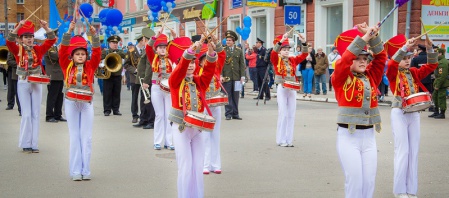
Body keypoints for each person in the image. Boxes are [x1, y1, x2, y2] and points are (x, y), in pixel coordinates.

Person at [332, 24, 386, 198]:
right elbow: (344, 60)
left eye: (365, 58)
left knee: (369, 182)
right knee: (355, 182)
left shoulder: (371, 77)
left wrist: (374, 36)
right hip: (349, 136)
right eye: (359, 58)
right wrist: (364, 38)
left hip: (369, 136)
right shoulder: (340, 76)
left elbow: (381, 58)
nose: (363, 61)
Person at [385, 35, 438, 198]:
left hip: (414, 112)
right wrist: (404, 48)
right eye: (405, 58)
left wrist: (430, 48)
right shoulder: (393, 73)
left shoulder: (413, 72)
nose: (407, 61)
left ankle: (411, 190)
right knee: (403, 151)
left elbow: (431, 66)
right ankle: (400, 190)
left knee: (413, 151)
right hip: (399, 112)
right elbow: (392, 63)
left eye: (409, 57)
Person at [167, 37, 217, 198]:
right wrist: (190, 51)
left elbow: (209, 72)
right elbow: (181, 68)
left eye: (193, 63)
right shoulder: (174, 80)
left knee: (197, 167)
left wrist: (210, 52)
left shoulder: (198, 81)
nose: (190, 66)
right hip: (181, 127)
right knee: (186, 167)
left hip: (197, 128)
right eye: (187, 63)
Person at [6, 20, 56, 153]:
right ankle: (25, 142)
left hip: (36, 81)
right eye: (26, 37)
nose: (29, 39)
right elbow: (9, 42)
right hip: (23, 82)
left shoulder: (38, 49)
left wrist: (46, 27)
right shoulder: (17, 50)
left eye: (31, 37)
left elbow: (51, 40)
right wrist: (18, 27)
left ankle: (34, 143)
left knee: (35, 114)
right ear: (21, 39)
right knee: (26, 114)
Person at [59, 21, 100, 181]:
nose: (81, 56)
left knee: (87, 137)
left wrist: (94, 35)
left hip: (86, 104)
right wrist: (68, 31)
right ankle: (75, 171)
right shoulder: (66, 65)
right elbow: (62, 51)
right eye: (77, 54)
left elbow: (97, 52)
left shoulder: (91, 66)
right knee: (74, 136)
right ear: (72, 56)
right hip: (71, 103)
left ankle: (86, 170)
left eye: (83, 53)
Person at [271, 33, 308, 147]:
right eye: (284, 49)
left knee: (291, 113)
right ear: (280, 51)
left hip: (292, 88)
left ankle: (289, 139)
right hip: (282, 87)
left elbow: (304, 54)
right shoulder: (276, 59)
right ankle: (280, 139)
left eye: (288, 49)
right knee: (283, 113)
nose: (286, 51)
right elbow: (273, 53)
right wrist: (281, 41)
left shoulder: (292, 60)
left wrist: (304, 42)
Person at [143, 27, 176, 150]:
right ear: (156, 49)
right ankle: (157, 141)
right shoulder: (153, 58)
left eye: (164, 47)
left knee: (168, 115)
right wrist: (155, 36)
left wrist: (174, 35)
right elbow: (147, 48)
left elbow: (177, 49)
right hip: (156, 87)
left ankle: (169, 141)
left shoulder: (170, 58)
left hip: (168, 89)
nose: (163, 49)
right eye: (160, 47)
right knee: (159, 115)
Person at [197, 35, 226, 175]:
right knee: (204, 134)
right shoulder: (198, 72)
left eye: (210, 57)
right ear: (201, 61)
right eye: (205, 58)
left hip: (216, 103)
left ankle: (216, 164)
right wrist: (201, 43)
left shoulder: (217, 68)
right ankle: (204, 164)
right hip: (203, 104)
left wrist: (215, 41)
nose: (208, 60)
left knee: (215, 133)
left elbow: (222, 54)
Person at [133, 28, 156, 130]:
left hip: (147, 80)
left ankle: (150, 121)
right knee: (143, 100)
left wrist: (146, 81)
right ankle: (143, 119)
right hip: (142, 79)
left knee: (148, 101)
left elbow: (149, 66)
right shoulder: (146, 49)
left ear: (145, 39)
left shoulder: (150, 50)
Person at [222, 30, 245, 120]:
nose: (228, 42)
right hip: (226, 77)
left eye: (229, 40)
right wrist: (221, 76)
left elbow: (242, 64)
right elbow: (220, 64)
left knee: (236, 96)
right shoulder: (223, 51)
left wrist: (242, 76)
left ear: (233, 41)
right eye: (227, 40)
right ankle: (228, 114)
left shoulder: (238, 51)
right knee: (227, 95)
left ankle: (235, 113)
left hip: (236, 77)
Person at [44, 28, 66, 123]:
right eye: (54, 36)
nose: (56, 37)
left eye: (56, 36)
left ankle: (58, 114)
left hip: (60, 75)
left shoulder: (55, 47)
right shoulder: (48, 48)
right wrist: (62, 49)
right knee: (52, 96)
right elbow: (57, 57)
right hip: (53, 75)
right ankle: (49, 115)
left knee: (60, 96)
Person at [101, 35, 126, 116]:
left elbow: (125, 56)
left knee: (116, 93)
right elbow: (100, 60)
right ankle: (107, 110)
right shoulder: (105, 52)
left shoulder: (120, 52)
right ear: (109, 43)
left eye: (116, 43)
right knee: (107, 93)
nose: (115, 44)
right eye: (113, 43)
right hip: (108, 75)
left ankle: (116, 109)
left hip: (117, 75)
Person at [124, 40, 142, 123]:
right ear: (141, 41)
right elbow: (126, 65)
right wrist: (134, 70)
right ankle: (135, 115)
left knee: (145, 98)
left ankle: (144, 115)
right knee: (134, 97)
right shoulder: (130, 52)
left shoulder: (146, 50)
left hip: (144, 77)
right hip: (134, 78)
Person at [429, 47, 449, 119]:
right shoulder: (439, 61)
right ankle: (436, 111)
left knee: (441, 98)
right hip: (438, 82)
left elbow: (442, 76)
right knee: (435, 97)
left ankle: (442, 113)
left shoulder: (443, 62)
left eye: (437, 53)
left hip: (442, 83)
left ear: (440, 53)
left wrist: (437, 85)